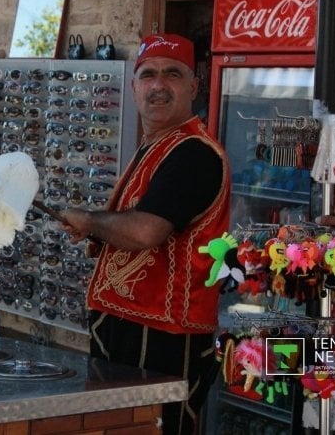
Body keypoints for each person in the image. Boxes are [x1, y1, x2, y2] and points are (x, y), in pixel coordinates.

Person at [59, 33, 231, 435]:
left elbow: (145, 230)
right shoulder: (157, 146)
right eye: (148, 75)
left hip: (163, 334)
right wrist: (100, 233)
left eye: (172, 74)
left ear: (194, 85)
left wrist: (89, 221)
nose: (158, 86)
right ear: (134, 87)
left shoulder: (194, 153)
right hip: (128, 326)